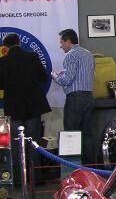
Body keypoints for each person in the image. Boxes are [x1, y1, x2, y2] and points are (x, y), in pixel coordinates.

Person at [0, 33, 51, 185]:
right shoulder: (33, 57)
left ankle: (17, 179)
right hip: (33, 106)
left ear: (5, 46)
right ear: (19, 42)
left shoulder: (3, 62)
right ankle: (37, 178)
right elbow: (43, 77)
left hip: (14, 108)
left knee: (16, 143)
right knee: (34, 141)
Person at [54, 29, 95, 162]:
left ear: (68, 41)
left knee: (71, 134)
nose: (60, 46)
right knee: (88, 134)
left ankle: (73, 168)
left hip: (75, 98)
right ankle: (90, 166)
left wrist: (55, 76)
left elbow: (67, 80)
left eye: (61, 42)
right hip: (89, 97)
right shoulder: (88, 54)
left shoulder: (70, 55)